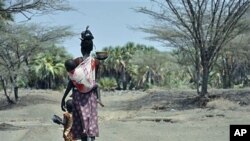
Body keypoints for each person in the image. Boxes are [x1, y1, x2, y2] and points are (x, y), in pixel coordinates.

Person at [61, 27, 100, 141]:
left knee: (82, 125)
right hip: (91, 97)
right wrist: (97, 97)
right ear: (91, 47)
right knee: (90, 123)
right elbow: (93, 81)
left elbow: (71, 82)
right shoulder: (96, 62)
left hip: (78, 97)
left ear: (81, 47)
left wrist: (64, 97)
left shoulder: (77, 61)